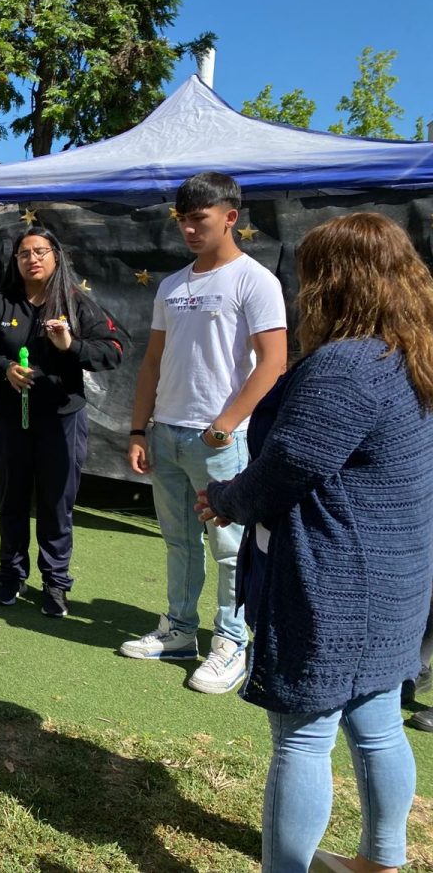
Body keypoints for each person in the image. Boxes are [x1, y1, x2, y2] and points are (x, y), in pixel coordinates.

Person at [197, 212, 433, 873]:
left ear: (334, 282)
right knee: (378, 723)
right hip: (396, 583)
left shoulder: (346, 367)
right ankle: (382, 862)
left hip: (336, 586)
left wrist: (224, 498)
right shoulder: (412, 355)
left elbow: (287, 468)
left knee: (303, 739)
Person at [121, 172, 287, 694]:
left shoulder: (254, 280)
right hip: (165, 432)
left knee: (230, 547)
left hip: (219, 441)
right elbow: (151, 362)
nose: (190, 230)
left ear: (230, 217)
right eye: (183, 220)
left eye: (201, 219)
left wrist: (225, 426)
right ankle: (179, 630)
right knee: (178, 541)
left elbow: (274, 363)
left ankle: (232, 642)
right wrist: (137, 429)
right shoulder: (173, 284)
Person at [0, 227, 124, 617]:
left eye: (40, 252)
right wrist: (4, 370)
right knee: (12, 500)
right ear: (15, 261)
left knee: (56, 504)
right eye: (23, 253)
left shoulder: (77, 304)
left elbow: (114, 351)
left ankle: (55, 584)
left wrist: (71, 347)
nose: (32, 259)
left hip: (62, 420)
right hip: (10, 420)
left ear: (56, 256)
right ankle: (11, 577)